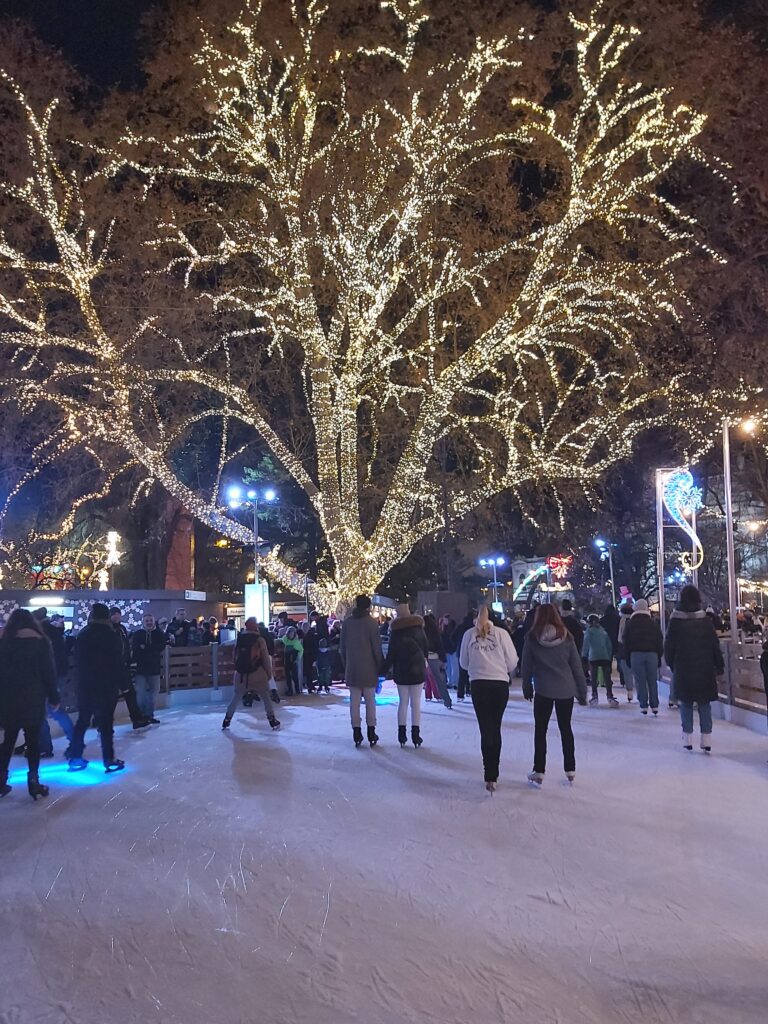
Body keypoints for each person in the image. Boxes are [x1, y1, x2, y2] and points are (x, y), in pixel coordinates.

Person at [521, 604, 587, 785]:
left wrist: (527, 687)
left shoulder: (532, 638)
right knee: (566, 728)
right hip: (566, 689)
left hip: (543, 689)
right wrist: (582, 692)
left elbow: (526, 666)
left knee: (541, 730)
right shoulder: (567, 638)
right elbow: (576, 667)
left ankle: (539, 769)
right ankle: (570, 768)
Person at [0, 609, 60, 800]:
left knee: (8, 740)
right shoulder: (41, 642)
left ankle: (1, 781)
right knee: (33, 741)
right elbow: (48, 672)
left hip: (8, 698)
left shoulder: (5, 642)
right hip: (33, 698)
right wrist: (54, 697)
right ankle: (33, 781)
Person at [459, 605, 518, 792]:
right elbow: (512, 661)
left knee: (485, 728)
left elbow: (463, 661)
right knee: (496, 726)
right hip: (499, 683)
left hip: (478, 684)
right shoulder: (501, 634)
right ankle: (495, 772)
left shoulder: (469, 635)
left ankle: (488, 774)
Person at [664, 585, 724, 752]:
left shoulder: (675, 621)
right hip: (704, 668)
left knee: (686, 703)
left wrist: (672, 664)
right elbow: (714, 645)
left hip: (683, 667)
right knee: (704, 703)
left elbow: (669, 646)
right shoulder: (705, 620)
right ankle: (706, 738)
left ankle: (687, 737)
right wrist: (719, 665)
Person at [69, 603, 128, 772]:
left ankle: (75, 756)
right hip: (106, 685)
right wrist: (124, 685)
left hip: (86, 684)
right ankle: (108, 758)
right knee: (106, 724)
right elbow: (117, 662)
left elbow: (77, 659)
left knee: (82, 721)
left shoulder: (84, 634)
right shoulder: (111, 635)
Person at [340, 594, 383, 747]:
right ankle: (371, 731)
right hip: (369, 668)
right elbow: (377, 649)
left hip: (352, 668)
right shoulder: (371, 623)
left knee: (355, 702)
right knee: (370, 701)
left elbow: (342, 648)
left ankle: (356, 731)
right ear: (368, 606)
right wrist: (380, 666)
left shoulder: (347, 623)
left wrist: (347, 664)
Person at [384, 603, 429, 748]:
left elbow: (391, 654)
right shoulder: (418, 628)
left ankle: (401, 734)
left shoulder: (395, 632)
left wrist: (383, 668)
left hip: (401, 670)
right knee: (416, 703)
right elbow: (425, 647)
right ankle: (416, 735)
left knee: (403, 702)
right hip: (417, 668)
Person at [30, 607, 74, 757]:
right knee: (56, 710)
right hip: (59, 675)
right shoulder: (55, 632)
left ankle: (45, 746)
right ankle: (74, 741)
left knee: (42, 711)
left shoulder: (40, 634)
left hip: (46, 678)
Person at [223, 618, 279, 730]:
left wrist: (239, 669)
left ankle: (227, 719)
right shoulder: (259, 640)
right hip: (257, 673)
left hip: (241, 675)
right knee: (265, 696)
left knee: (236, 697)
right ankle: (272, 720)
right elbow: (265, 659)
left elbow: (235, 656)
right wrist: (269, 674)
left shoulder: (240, 638)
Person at [110, 607, 150, 729]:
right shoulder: (108, 629)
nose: (116, 616)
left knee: (130, 694)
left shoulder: (122, 629)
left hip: (123, 668)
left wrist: (129, 662)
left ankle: (136, 719)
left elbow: (126, 647)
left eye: (118, 614)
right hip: (111, 669)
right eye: (114, 614)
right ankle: (105, 722)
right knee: (111, 697)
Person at [623, 598, 663, 717]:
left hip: (636, 654)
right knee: (652, 681)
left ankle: (643, 705)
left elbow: (626, 642)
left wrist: (628, 657)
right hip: (652, 654)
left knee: (640, 681)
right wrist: (659, 655)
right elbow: (659, 640)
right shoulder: (653, 623)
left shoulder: (630, 623)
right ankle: (655, 705)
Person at [131, 613, 167, 723]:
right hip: (140, 669)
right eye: (147, 620)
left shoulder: (159, 634)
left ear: (153, 621)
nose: (149, 622)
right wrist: (150, 650)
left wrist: (146, 648)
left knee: (154, 693)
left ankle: (149, 715)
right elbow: (136, 649)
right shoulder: (138, 634)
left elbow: (160, 647)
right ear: (143, 622)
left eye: (150, 620)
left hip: (154, 668)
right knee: (141, 694)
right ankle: (140, 716)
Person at [582, 615, 618, 706]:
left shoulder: (589, 631)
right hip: (604, 656)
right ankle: (610, 696)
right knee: (607, 678)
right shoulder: (603, 631)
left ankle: (595, 696)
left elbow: (586, 643)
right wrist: (609, 656)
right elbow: (609, 644)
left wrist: (584, 655)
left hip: (593, 656)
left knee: (594, 677)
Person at [423, 613, 452, 709]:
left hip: (422, 659)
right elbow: (440, 647)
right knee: (440, 681)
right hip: (434, 658)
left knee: (419, 682)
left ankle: (414, 702)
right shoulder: (435, 633)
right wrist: (443, 660)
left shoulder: (420, 633)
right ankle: (447, 701)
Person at [616, 602, 635, 701]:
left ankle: (630, 691)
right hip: (635, 648)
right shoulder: (635, 620)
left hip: (623, 649)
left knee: (626, 671)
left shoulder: (619, 620)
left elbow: (617, 636)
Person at [281, 626, 303, 696]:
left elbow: (301, 650)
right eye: (290, 633)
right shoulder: (285, 639)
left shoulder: (296, 642)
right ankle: (290, 691)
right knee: (288, 677)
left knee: (295, 676)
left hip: (294, 661)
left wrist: (298, 658)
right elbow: (281, 640)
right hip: (287, 661)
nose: (291, 634)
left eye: (293, 633)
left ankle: (297, 690)